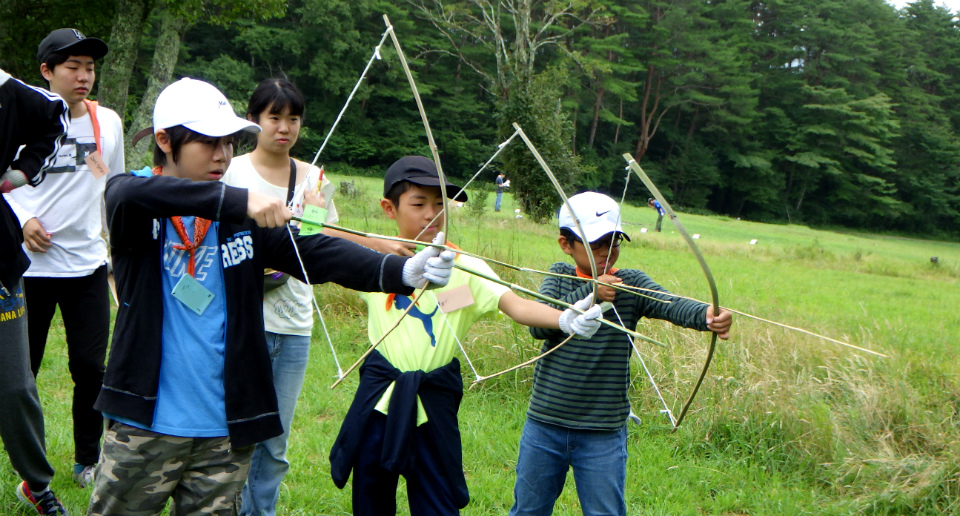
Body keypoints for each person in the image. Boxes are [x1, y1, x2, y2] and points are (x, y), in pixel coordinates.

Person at [86, 78, 456, 516]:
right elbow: (127, 191)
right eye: (208, 143)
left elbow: (316, 252)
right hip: (143, 424)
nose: (222, 155)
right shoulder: (136, 202)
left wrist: (402, 270)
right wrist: (239, 199)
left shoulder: (241, 219)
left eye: (228, 143)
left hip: (223, 429)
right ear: (165, 141)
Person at [329, 156, 604, 516]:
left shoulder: (465, 269)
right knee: (371, 496)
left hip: (432, 405)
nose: (432, 215)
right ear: (388, 208)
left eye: (441, 204)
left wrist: (566, 319)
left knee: (437, 502)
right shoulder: (374, 262)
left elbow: (516, 306)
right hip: (380, 401)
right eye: (418, 204)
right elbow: (314, 234)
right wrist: (381, 247)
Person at [223, 78, 411, 516]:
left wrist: (380, 246)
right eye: (274, 117)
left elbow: (326, 243)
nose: (284, 128)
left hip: (293, 324)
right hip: (241, 320)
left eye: (293, 118)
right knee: (232, 429)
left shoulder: (315, 179)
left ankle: (260, 511)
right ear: (254, 121)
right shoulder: (233, 172)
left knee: (275, 440)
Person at [508, 192, 732, 516]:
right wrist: (591, 291)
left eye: (613, 242)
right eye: (595, 242)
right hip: (546, 424)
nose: (606, 251)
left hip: (603, 431)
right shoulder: (559, 278)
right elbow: (539, 323)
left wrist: (707, 314)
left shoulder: (631, 284)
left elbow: (669, 303)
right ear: (565, 244)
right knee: (529, 509)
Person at [3, 28, 123, 489]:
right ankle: (21, 460)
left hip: (88, 266)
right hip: (28, 267)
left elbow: (109, 184)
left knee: (91, 368)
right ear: (45, 71)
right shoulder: (19, 116)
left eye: (89, 67)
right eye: (72, 66)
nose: (83, 76)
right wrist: (24, 217)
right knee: (21, 372)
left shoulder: (105, 122)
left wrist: (116, 254)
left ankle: (87, 459)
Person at [0, 68, 70, 515]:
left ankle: (37, 484)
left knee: (13, 385)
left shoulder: (5, 90)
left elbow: (56, 116)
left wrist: (21, 174)